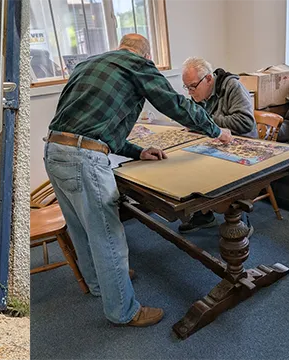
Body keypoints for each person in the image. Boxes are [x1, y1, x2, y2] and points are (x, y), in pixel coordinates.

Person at [44, 34, 232, 327]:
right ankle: (123, 311)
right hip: (83, 158)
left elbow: (98, 128)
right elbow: (175, 105)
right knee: (108, 236)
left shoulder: (87, 64)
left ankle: (99, 283)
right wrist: (215, 130)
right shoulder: (136, 64)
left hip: (55, 150)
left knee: (81, 229)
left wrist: (138, 150)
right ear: (146, 57)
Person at [179, 56, 258, 233]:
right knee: (187, 160)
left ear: (208, 79)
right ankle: (203, 215)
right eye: (187, 87)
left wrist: (205, 121)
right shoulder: (200, 93)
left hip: (244, 145)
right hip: (216, 144)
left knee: (223, 169)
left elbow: (245, 122)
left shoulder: (232, 86)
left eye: (193, 86)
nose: (190, 92)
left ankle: (242, 221)